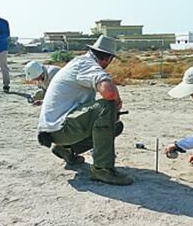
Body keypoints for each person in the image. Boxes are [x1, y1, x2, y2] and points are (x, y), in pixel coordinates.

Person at [37, 35, 132, 186]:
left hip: (53, 131)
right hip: (61, 128)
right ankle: (102, 169)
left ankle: (66, 149)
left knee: (115, 126)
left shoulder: (80, 62)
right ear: (109, 59)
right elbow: (109, 93)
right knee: (107, 106)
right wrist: (117, 101)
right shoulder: (87, 65)